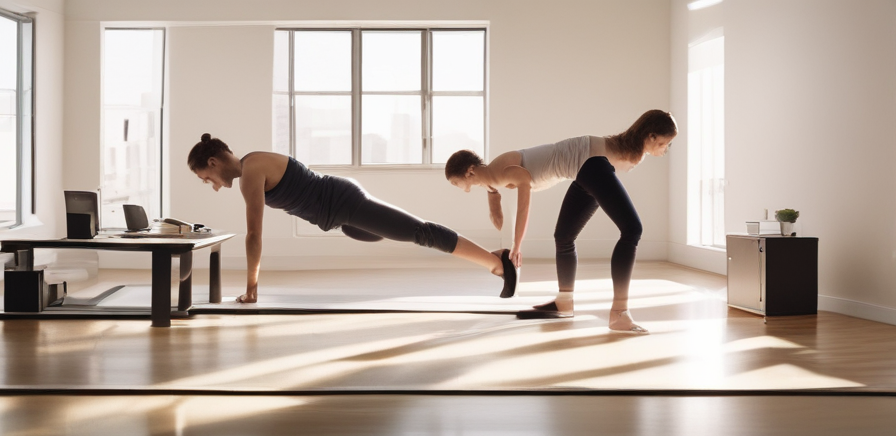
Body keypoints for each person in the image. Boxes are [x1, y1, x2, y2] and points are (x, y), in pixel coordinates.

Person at [187, 135, 518, 303]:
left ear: (214, 162)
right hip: (341, 216)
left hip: (345, 205)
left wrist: (251, 288)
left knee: (421, 232)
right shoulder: (252, 164)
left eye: (206, 179)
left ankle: (497, 263)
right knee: (387, 232)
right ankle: (493, 260)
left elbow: (253, 235)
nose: (212, 187)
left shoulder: (251, 172)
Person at [444, 110, 678, 330]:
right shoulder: (494, 172)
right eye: (664, 143)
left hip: (589, 164)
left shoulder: (499, 171)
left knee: (631, 229)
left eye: (664, 144)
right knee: (564, 237)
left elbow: (522, 203)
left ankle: (619, 312)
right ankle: (564, 303)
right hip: (584, 167)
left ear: (470, 171)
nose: (665, 149)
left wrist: (516, 244)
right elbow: (493, 186)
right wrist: (494, 206)